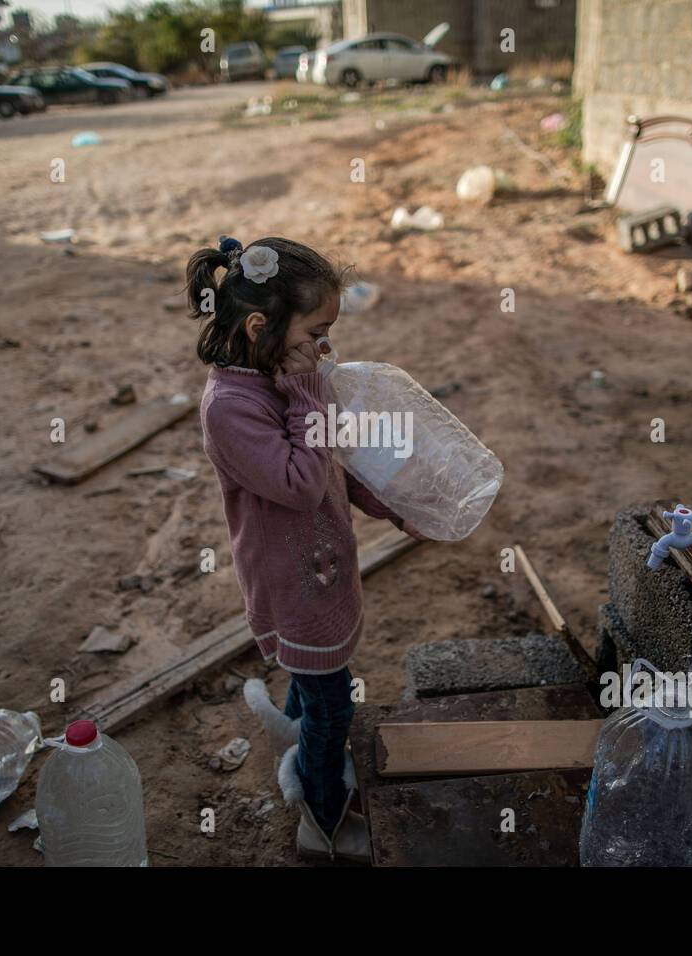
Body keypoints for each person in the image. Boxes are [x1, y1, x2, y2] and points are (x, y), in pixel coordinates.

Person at [186, 235, 415, 863]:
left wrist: (391, 509)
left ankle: (297, 735)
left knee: (317, 689)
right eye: (317, 331)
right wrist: (309, 397)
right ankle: (322, 820)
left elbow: (332, 465)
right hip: (293, 591)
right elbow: (301, 483)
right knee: (334, 706)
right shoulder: (231, 407)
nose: (326, 347)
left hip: (323, 573)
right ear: (261, 326)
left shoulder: (284, 379)